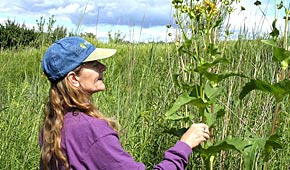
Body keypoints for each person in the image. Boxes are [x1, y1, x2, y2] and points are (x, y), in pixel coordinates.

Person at [39, 36, 210, 170]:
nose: (103, 67)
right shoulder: (91, 131)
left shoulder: (54, 124)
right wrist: (184, 146)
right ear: (74, 79)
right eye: (94, 64)